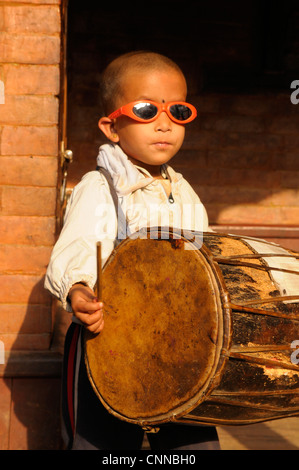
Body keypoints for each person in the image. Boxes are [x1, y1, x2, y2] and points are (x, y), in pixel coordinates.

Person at [45, 51, 220, 450]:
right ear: (112, 126)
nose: (164, 124)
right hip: (106, 343)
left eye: (178, 111)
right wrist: (77, 290)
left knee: (191, 444)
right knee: (102, 445)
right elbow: (75, 249)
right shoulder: (100, 185)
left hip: (177, 344)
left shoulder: (185, 191)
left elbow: (205, 257)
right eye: (145, 110)